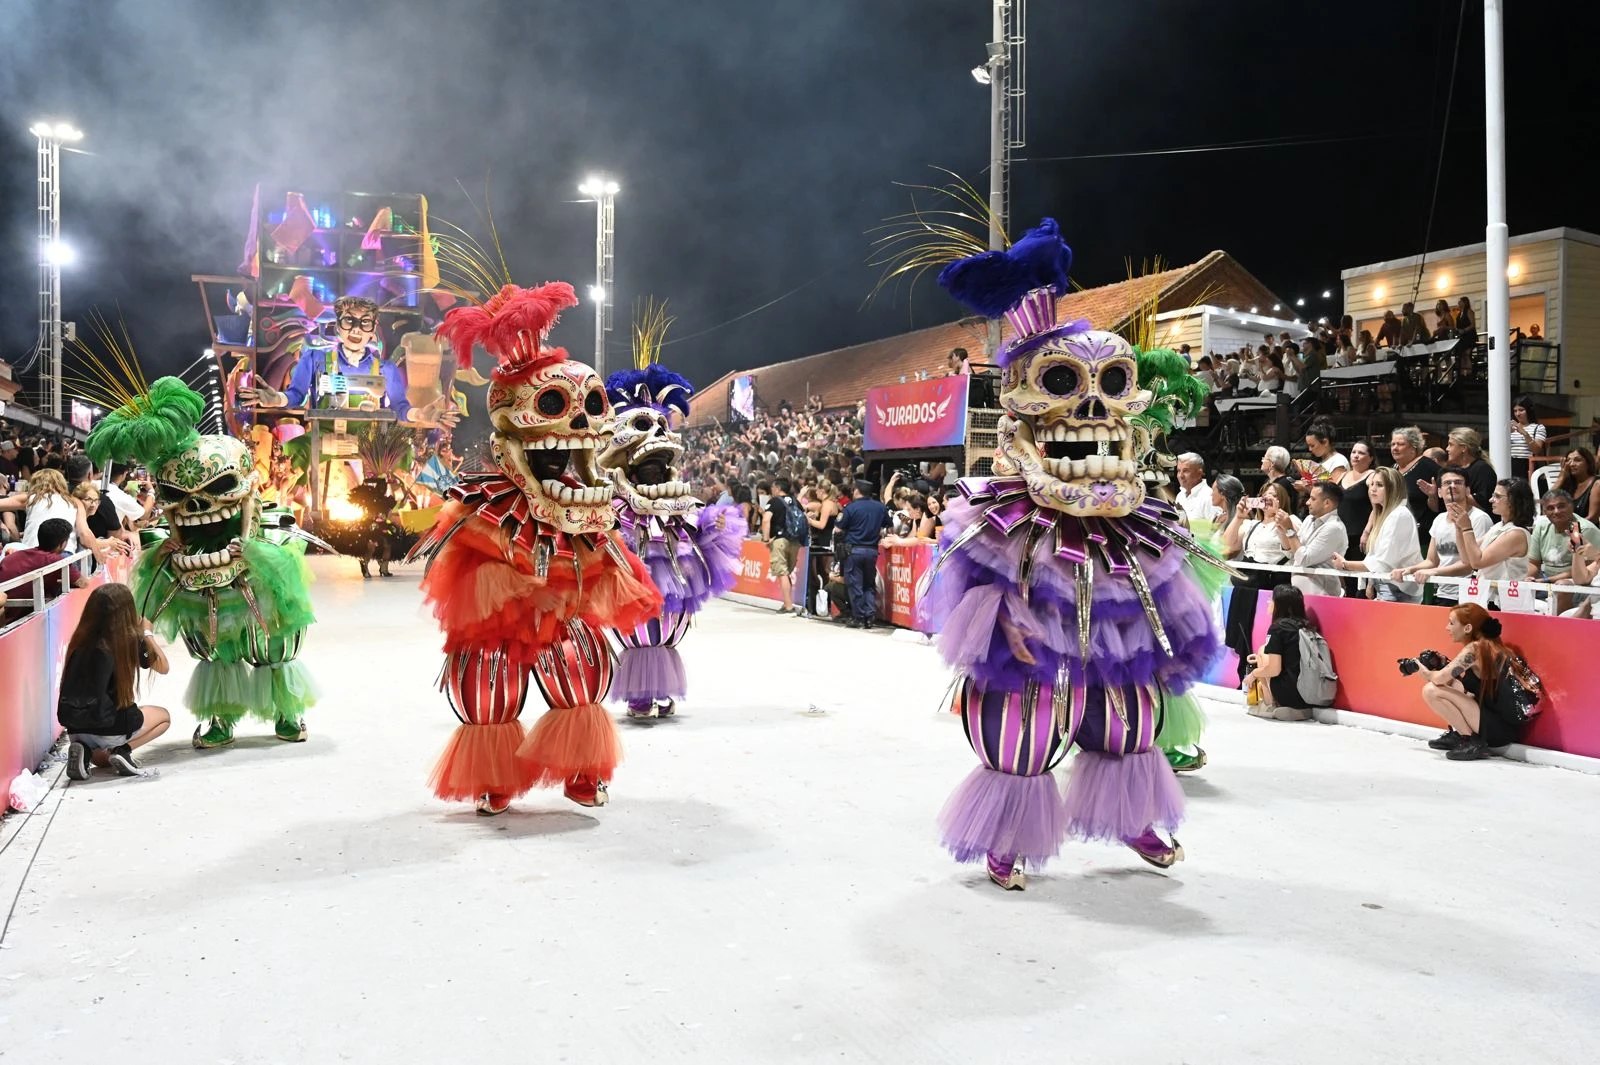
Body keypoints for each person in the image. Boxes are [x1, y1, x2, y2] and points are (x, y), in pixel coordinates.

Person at [58, 583, 172, 780]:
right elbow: (163, 666)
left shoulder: (79, 640)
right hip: (112, 726)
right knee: (163, 717)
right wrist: (146, 633)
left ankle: (83, 748)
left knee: (101, 761)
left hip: (75, 728)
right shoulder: (128, 640)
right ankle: (122, 750)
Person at [1417, 606, 1534, 760]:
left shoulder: (1475, 648)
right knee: (1450, 685)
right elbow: (1462, 685)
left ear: (1467, 628)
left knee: (1430, 690)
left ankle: (1469, 741)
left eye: (1451, 623)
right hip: (1501, 724)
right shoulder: (1488, 646)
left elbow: (1439, 679)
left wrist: (1422, 670)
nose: (1447, 628)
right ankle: (1458, 735)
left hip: (1498, 730)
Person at [1222, 482, 1295, 681]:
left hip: (1271, 585)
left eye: (1273, 495)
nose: (1268, 498)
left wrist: (1279, 520)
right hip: (1246, 585)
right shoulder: (1250, 524)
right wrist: (1238, 517)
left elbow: (1289, 549)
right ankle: (1244, 677)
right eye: (1264, 494)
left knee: (1263, 632)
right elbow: (1227, 545)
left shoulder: (1291, 520)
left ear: (1283, 500)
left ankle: (1265, 675)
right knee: (1242, 632)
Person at [1393, 467, 1494, 606]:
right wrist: (1410, 569)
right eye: (1447, 483)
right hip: (1442, 592)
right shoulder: (1439, 519)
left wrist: (1433, 572)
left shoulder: (1479, 519)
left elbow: (1471, 565)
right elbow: (1431, 560)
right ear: (1439, 492)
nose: (1452, 486)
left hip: (1469, 595)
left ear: (1468, 490)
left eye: (1458, 482)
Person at [1332, 466, 1422, 601]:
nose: (1372, 489)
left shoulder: (1398, 515)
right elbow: (1376, 556)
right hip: (1387, 585)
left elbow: (1383, 562)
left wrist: (1346, 564)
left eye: (1379, 485)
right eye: (1372, 484)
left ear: (1392, 488)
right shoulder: (1387, 514)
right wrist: (1371, 583)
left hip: (1397, 588)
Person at [1241, 585, 1319, 721]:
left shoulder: (1278, 628)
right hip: (1310, 693)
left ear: (1280, 604)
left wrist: (1253, 674)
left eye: (1271, 599)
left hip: (1289, 694)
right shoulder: (1305, 626)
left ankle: (1269, 704)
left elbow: (1273, 670)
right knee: (1263, 653)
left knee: (1263, 651)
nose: (1268, 601)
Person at [1455, 478, 1535, 606]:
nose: (1491, 500)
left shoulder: (1516, 534)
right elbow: (1467, 559)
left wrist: (1467, 528)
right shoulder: (1498, 527)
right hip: (1487, 597)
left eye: (1497, 496)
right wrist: (1458, 527)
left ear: (1514, 501)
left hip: (1505, 603)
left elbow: (1477, 562)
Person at [0, 468, 105, 564]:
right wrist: (101, 560)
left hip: (31, 553)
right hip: (63, 554)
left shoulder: (31, 498)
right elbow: (85, 535)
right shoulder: (74, 502)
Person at [1526, 488, 1600, 613]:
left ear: (1571, 506)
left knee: (1562, 586)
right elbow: (1533, 563)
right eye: (1550, 508)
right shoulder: (1542, 525)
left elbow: (1583, 579)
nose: (1556, 511)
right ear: (1544, 511)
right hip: (1546, 578)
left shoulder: (1585, 529)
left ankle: (1555, 628)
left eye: (1561, 506)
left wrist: (1547, 581)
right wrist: (1528, 578)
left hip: (1574, 585)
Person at [0, 518, 86, 613]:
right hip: (23, 618)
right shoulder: (56, 560)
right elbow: (83, 583)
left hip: (4, 617)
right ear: (63, 544)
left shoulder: (13, 556)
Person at [836, 479, 889, 629]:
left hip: (854, 550)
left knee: (855, 585)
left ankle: (858, 617)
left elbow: (838, 529)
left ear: (857, 491)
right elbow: (888, 526)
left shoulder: (850, 508)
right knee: (869, 584)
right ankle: (870, 616)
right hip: (872, 550)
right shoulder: (880, 507)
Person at [1285, 481, 1348, 598]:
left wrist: (1289, 529)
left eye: (1313, 499)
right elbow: (1291, 553)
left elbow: (1304, 559)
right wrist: (1281, 528)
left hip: (1322, 595)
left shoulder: (1334, 528)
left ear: (1327, 503)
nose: (1307, 502)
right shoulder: (1309, 519)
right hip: (1300, 592)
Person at [762, 476, 801, 616]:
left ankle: (789, 607)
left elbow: (766, 520)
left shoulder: (774, 502)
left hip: (779, 540)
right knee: (786, 572)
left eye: (773, 487)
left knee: (781, 572)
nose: (771, 490)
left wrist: (766, 539)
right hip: (795, 541)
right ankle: (787, 602)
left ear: (778, 488)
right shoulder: (796, 502)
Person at [1443, 428, 1497, 511]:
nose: (1447, 449)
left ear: (1464, 448)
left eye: (1451, 444)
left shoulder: (1482, 469)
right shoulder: (1453, 469)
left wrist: (1457, 495)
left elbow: (1483, 502)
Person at [1173, 453, 1222, 526]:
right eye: (1179, 471)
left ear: (1199, 473)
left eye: (1186, 471)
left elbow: (1217, 531)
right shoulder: (1180, 496)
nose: (1181, 475)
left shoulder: (1209, 497)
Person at [1555, 447, 1599, 525]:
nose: (1571, 464)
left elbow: (1593, 518)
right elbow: (1547, 504)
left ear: (1588, 463)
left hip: (1587, 531)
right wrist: (1561, 478)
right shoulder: (1568, 483)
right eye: (1568, 460)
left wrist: (1569, 528)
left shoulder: (1597, 484)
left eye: (1577, 460)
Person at [1508, 395, 1547, 468]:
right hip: (1509, 463)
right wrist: (1506, 434)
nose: (1518, 414)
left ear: (1529, 410)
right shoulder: (1511, 427)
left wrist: (1525, 433)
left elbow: (1536, 450)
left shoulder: (1538, 428)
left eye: (1521, 410)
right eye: (1515, 411)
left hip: (1527, 465)